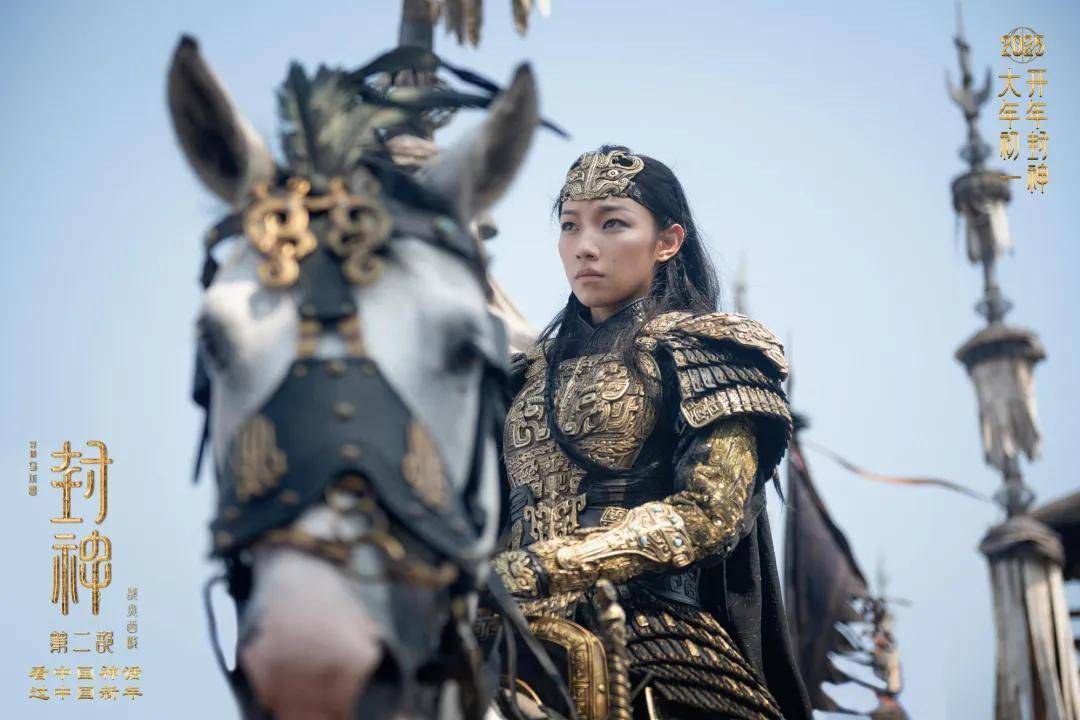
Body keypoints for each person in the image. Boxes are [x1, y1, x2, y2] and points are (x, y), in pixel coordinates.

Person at [489, 145, 813, 720]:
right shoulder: (522, 376)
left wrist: (555, 564)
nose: (584, 246)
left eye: (613, 223)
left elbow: (710, 513)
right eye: (570, 225)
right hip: (504, 633)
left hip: (656, 640)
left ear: (667, 241)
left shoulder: (708, 350)